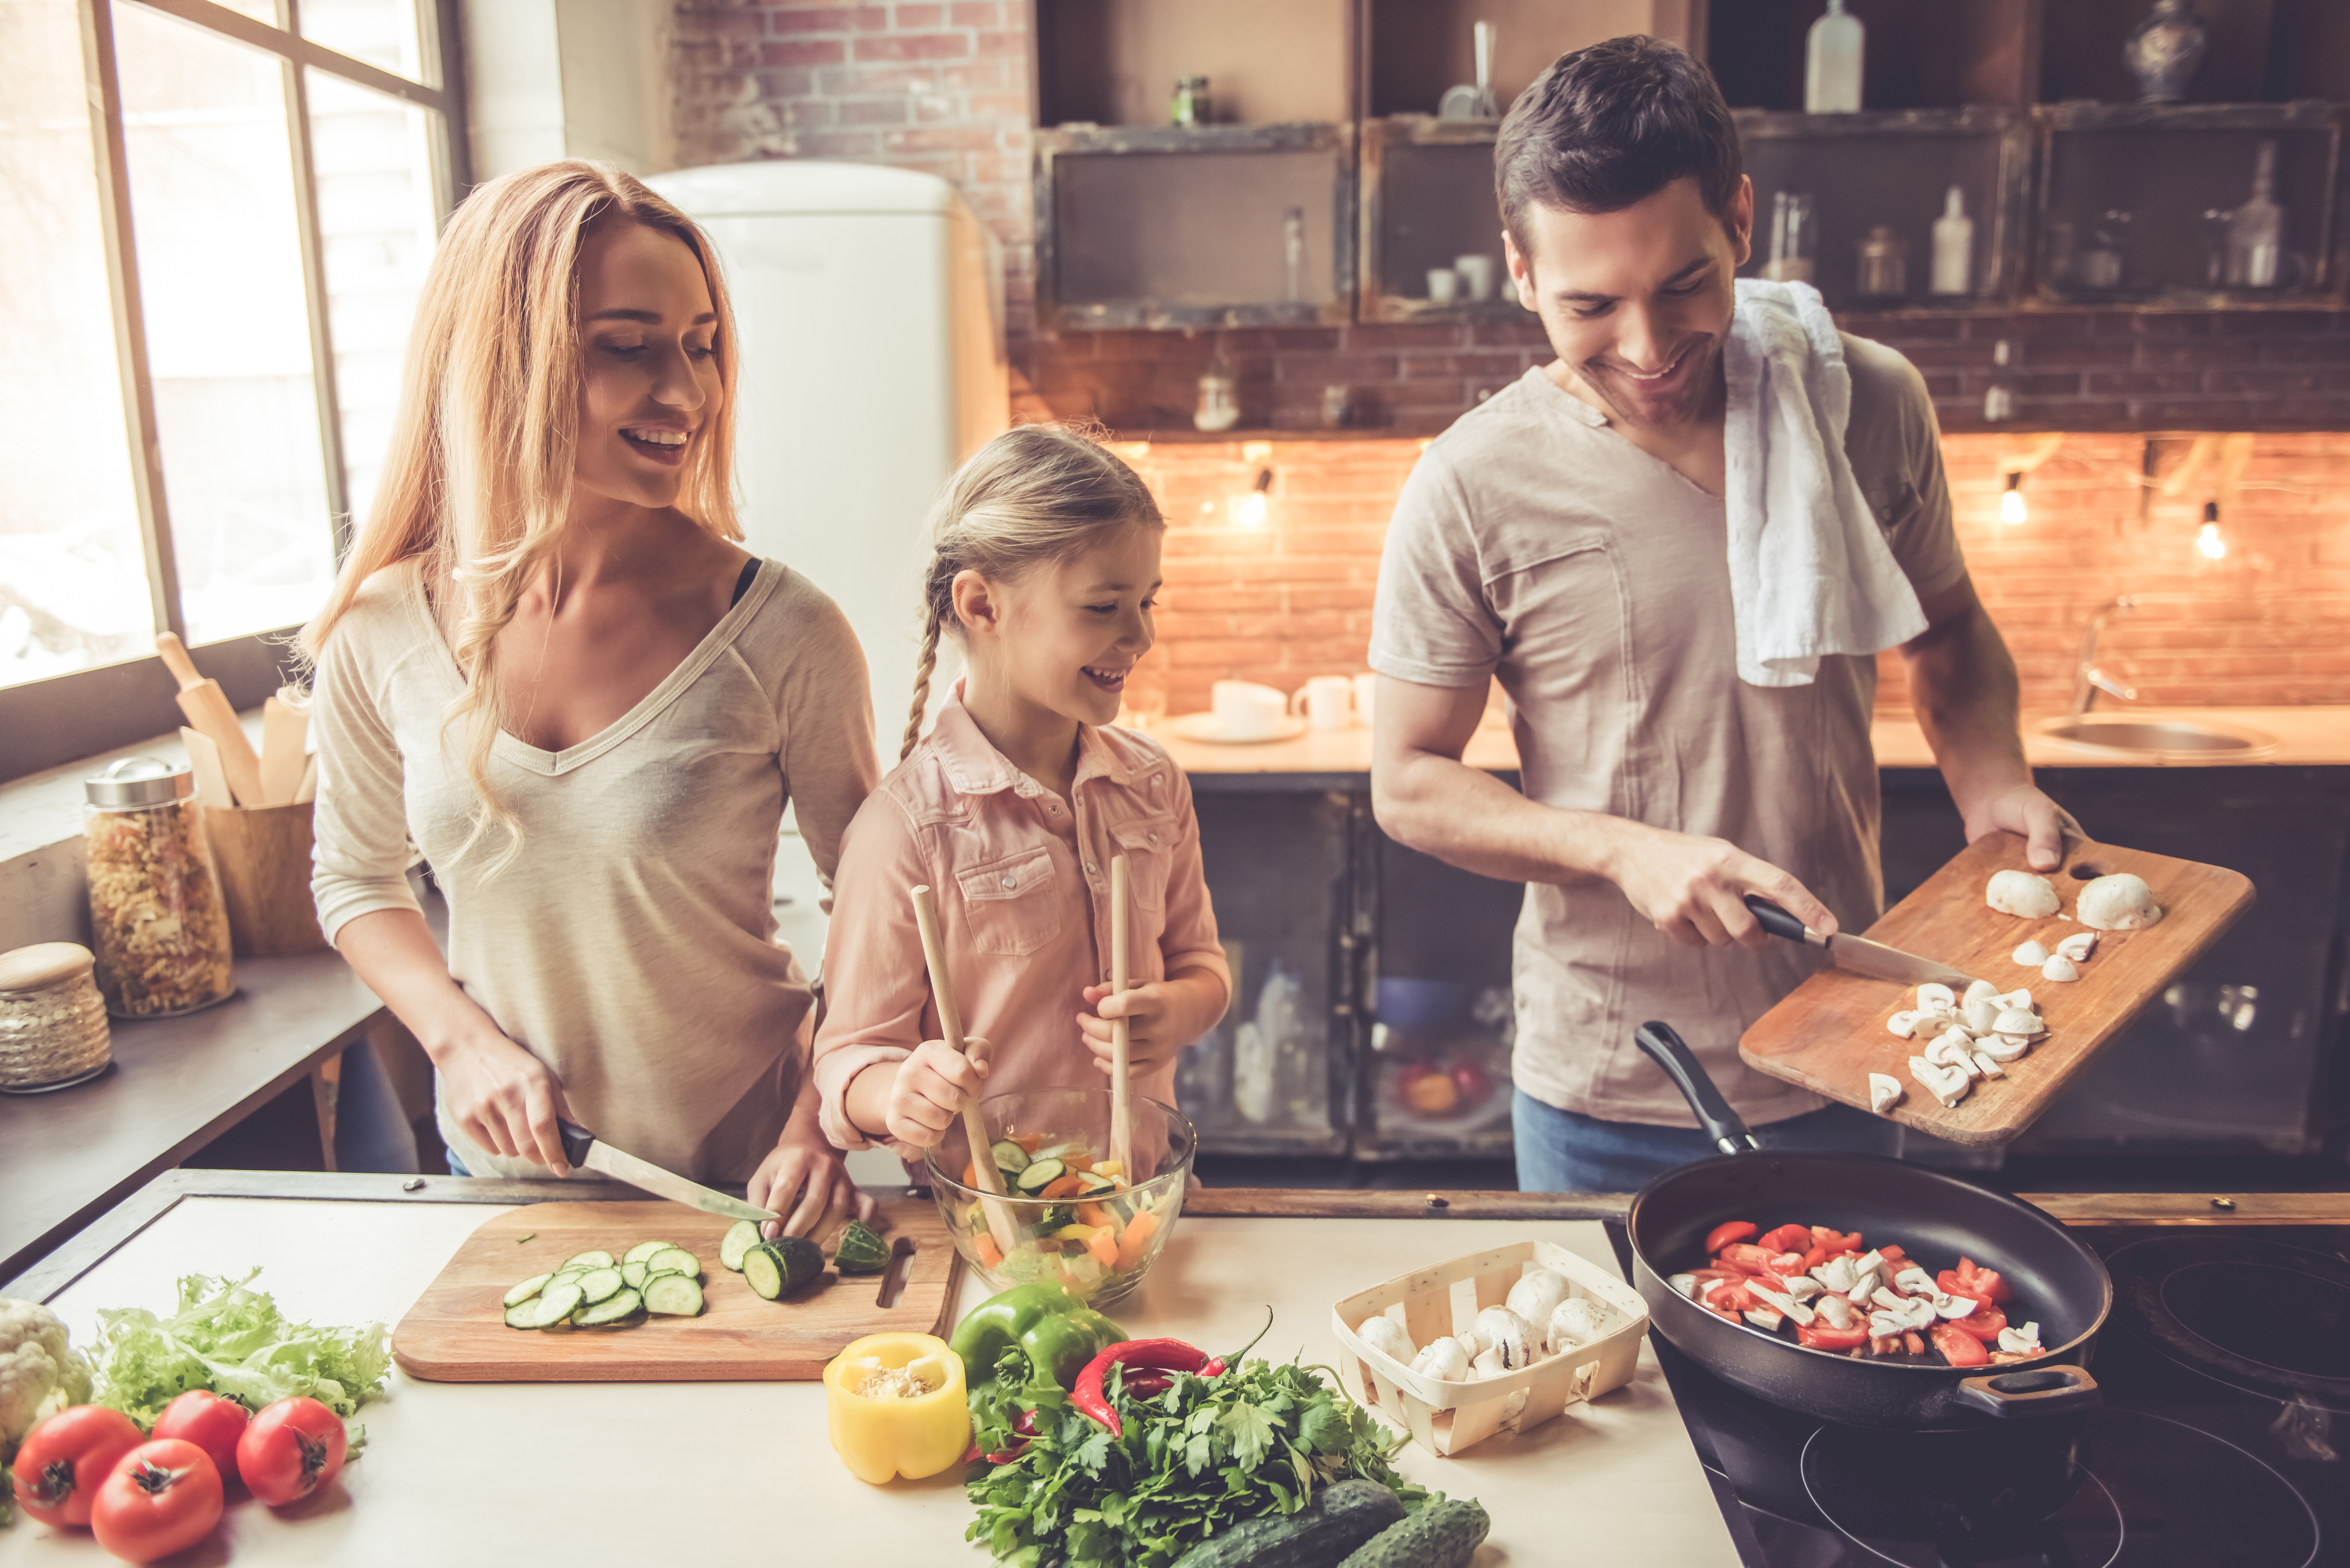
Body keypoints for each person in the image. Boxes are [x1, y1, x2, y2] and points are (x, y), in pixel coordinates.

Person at [1368, 39, 2074, 1194]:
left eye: (1685, 284)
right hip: (1606, 1076)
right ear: (1521, 273)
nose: (1648, 349)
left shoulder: (1866, 401)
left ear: (1741, 220)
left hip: (1850, 1044)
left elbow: (1944, 629)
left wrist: (1991, 783)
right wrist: (1620, 848)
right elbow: (1408, 780)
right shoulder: (1470, 481)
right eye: (1592, 305)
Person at [306, 161, 880, 1236]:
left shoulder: (786, 630)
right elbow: (355, 878)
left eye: (702, 346)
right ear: (501, 362)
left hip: (754, 1178)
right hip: (509, 1176)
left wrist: (819, 1123)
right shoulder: (379, 627)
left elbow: (881, 912)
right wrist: (459, 1040)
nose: (690, 394)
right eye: (627, 348)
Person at [812, 426, 1229, 1165]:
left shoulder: (1153, 784)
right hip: (989, 1227)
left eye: (1146, 601)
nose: (1140, 634)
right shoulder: (903, 830)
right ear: (981, 606)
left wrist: (1179, 1010)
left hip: (1137, 1200)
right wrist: (897, 1090)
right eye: (1103, 607)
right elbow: (848, 1059)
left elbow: (1202, 963)